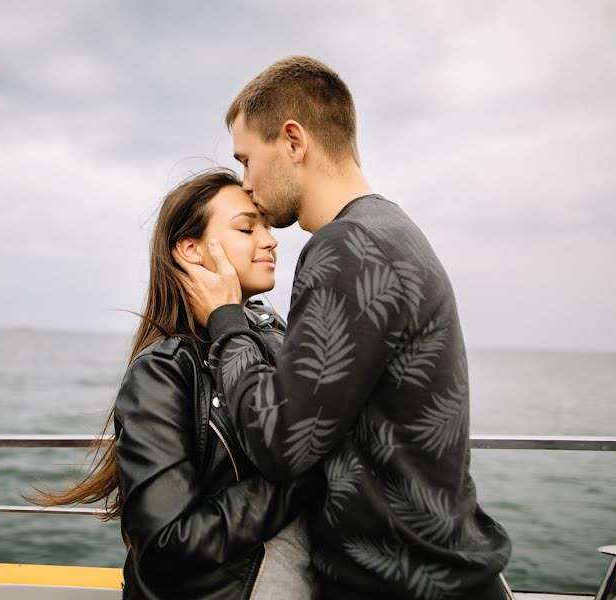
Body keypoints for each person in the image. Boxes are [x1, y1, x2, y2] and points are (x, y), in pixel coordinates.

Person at [176, 56, 513, 599]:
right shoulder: (393, 232)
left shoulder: (346, 247)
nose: (247, 181)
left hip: (396, 586)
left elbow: (281, 443)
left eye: (247, 158)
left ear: (293, 141)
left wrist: (227, 320)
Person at [31, 168, 319, 599]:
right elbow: (167, 545)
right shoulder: (164, 371)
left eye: (266, 226)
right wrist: (304, 474)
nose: (271, 239)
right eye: (246, 227)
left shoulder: (274, 332)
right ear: (190, 250)